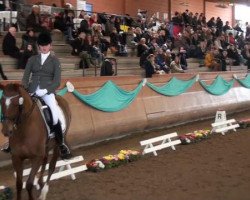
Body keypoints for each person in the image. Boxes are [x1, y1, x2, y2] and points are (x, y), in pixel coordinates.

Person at [1, 33, 71, 159]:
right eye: (42, 45)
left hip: (47, 93)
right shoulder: (33, 59)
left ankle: (61, 144)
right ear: (38, 46)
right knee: (17, 111)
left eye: (46, 45)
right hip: (31, 91)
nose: (44, 48)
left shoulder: (55, 61)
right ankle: (11, 143)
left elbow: (57, 81)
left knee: (55, 115)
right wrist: (25, 89)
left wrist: (46, 90)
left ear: (50, 46)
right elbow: (26, 77)